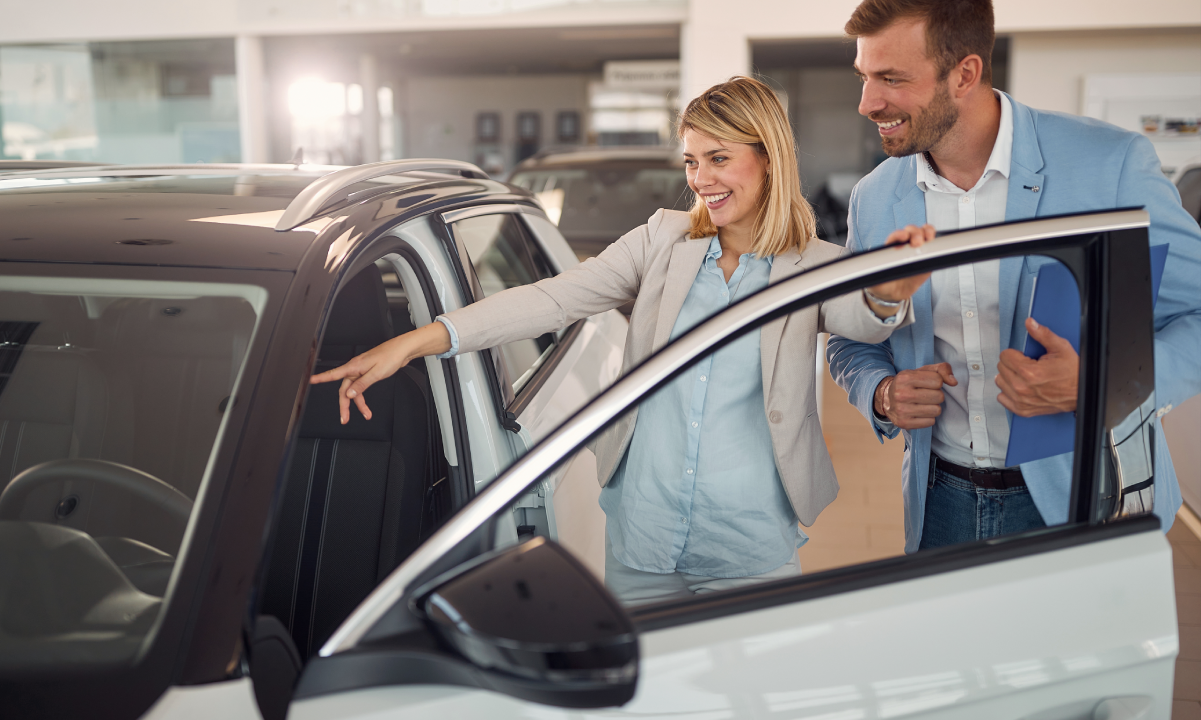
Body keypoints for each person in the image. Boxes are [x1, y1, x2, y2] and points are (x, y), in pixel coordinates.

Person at [312, 77, 931, 604]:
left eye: (718, 158)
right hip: (644, 530)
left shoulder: (813, 263)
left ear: (767, 156)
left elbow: (860, 315)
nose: (701, 180)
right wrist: (418, 340)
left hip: (749, 540)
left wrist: (892, 291)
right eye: (691, 161)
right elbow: (554, 297)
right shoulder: (660, 241)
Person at [827, 0, 1201, 552]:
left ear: (966, 74)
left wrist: (1100, 383)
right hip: (939, 505)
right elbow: (851, 335)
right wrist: (880, 392)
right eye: (864, 77)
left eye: (891, 79)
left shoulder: (1110, 164)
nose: (867, 103)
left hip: (1086, 499)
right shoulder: (875, 199)